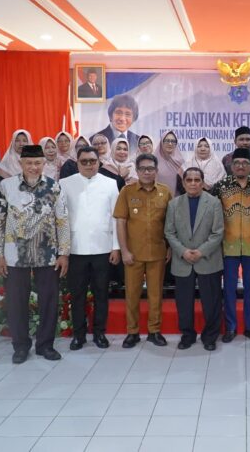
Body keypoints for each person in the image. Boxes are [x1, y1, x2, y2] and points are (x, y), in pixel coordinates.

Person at [0, 144, 70, 363]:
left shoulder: (54, 187)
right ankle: (20, 346)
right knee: (16, 302)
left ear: (44, 164)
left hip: (48, 255)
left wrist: (63, 253)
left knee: (49, 301)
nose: (34, 167)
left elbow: (62, 221)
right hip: (14, 255)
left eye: (38, 163)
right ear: (21, 163)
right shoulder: (6, 187)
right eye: (29, 163)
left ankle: (45, 345)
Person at [60, 146, 121, 351]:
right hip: (75, 250)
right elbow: (61, 219)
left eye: (92, 161)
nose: (88, 165)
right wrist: (63, 251)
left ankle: (99, 333)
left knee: (101, 293)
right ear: (77, 163)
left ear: (99, 162)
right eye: (84, 161)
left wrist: (116, 247)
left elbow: (116, 218)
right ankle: (79, 335)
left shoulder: (111, 184)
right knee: (76, 294)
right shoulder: (65, 184)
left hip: (103, 249)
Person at [115, 153, 173, 348]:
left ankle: (154, 331)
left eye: (150, 169)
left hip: (158, 252)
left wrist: (169, 247)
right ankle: (132, 332)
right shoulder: (127, 191)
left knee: (155, 294)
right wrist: (124, 250)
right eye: (143, 169)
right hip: (133, 253)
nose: (147, 172)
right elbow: (121, 222)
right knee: (132, 294)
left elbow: (170, 223)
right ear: (137, 171)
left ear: (156, 171)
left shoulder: (165, 192)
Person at [165, 168, 225, 351]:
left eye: (197, 180)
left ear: (202, 182)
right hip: (182, 260)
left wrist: (200, 251)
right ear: (183, 183)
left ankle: (210, 336)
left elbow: (218, 233)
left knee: (211, 301)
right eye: (189, 180)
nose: (193, 183)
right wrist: (183, 251)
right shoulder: (174, 204)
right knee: (183, 302)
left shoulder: (214, 203)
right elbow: (169, 232)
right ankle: (187, 335)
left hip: (207, 259)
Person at [210, 148, 250, 343]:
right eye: (237, 163)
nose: (241, 166)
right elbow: (212, 214)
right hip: (228, 245)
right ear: (231, 165)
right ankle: (231, 328)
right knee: (229, 289)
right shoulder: (221, 186)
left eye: (245, 162)